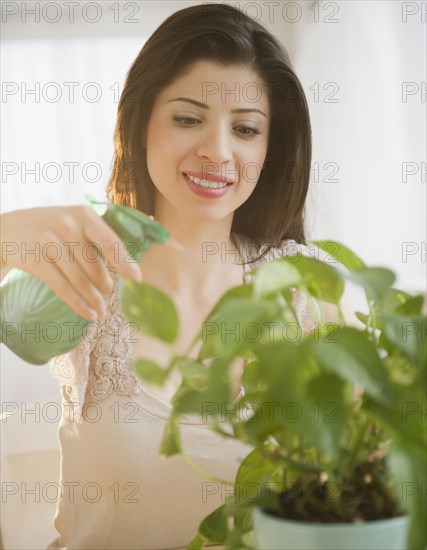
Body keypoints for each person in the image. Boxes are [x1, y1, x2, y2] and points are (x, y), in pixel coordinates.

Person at [1, 4, 336, 549]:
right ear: (141, 123)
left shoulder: (311, 288)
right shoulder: (83, 267)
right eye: (188, 118)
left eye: (246, 128)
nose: (217, 152)